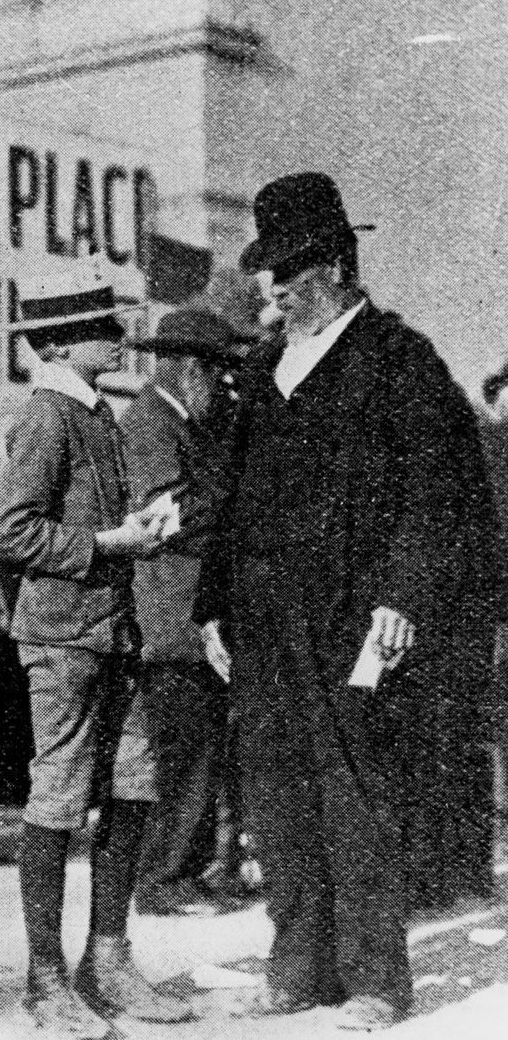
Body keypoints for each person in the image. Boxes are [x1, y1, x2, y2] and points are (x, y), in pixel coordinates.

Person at [203, 173, 503, 1030]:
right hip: (263, 622)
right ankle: (298, 965)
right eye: (268, 270)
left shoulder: (399, 359)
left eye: (289, 268)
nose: (274, 286)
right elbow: (232, 496)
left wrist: (403, 594)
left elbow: (441, 495)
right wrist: (211, 604)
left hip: (353, 618)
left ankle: (375, 977)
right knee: (278, 793)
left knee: (357, 791)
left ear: (335, 262)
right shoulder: (263, 372)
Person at [0, 269, 192, 1037]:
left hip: (112, 634)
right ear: (63, 342)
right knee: (60, 797)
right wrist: (110, 541)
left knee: (133, 785)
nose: (117, 336)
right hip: (64, 638)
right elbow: (10, 531)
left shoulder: (94, 413)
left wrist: (140, 524)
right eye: (103, 325)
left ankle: (105, 960)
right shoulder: (48, 416)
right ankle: (45, 980)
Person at [118, 307, 246, 919]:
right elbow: (164, 514)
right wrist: (238, 498)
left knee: (199, 747)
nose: (224, 390)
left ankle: (185, 869)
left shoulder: (174, 421)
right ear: (192, 369)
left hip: (190, 615)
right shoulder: (150, 421)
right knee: (183, 751)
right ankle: (166, 878)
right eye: (218, 376)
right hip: (170, 616)